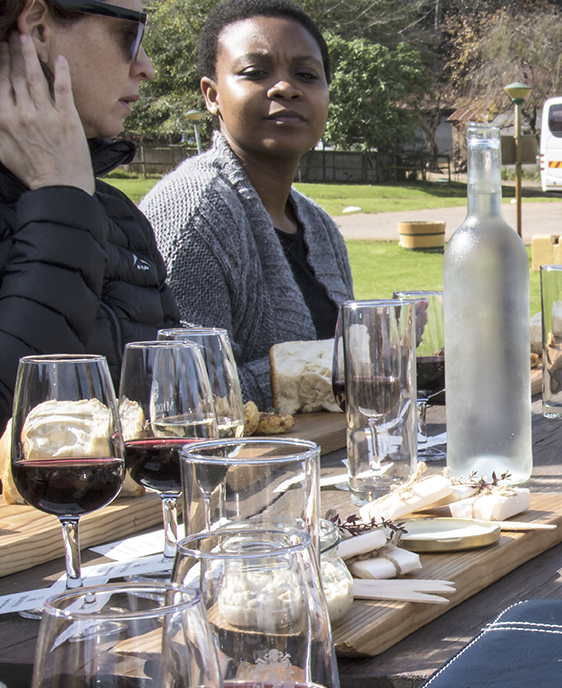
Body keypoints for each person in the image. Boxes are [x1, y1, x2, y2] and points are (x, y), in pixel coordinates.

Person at [141, 0, 352, 408]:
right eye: (255, 72)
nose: (286, 88)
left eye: (306, 75)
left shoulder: (319, 226)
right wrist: (333, 363)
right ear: (212, 95)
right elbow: (185, 397)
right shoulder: (192, 214)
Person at [0, 0, 179, 423]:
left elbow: (181, 405)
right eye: (130, 35)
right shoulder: (81, 204)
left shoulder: (118, 214)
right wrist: (61, 201)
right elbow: (15, 427)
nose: (146, 67)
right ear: (39, 30)